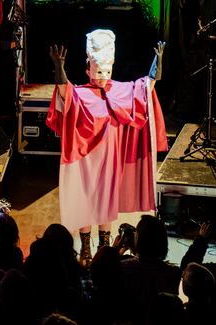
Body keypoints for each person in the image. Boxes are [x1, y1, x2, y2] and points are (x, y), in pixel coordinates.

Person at [46, 29, 167, 265]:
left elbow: (148, 85)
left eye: (106, 71)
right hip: (87, 159)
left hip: (111, 160)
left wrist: (158, 61)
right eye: (98, 71)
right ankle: (85, 247)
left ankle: (104, 245)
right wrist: (59, 66)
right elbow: (64, 90)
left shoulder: (121, 91)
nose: (102, 76)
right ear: (88, 68)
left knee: (106, 201)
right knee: (86, 200)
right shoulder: (81, 94)